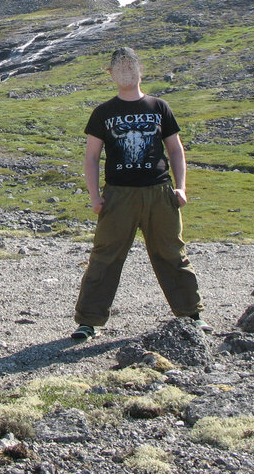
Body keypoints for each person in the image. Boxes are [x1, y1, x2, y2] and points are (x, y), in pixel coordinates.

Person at [70, 47, 204, 344]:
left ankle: (191, 314)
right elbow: (92, 157)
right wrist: (94, 197)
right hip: (118, 196)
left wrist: (181, 187)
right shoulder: (103, 113)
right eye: (118, 66)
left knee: (172, 252)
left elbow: (175, 149)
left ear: (140, 70)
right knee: (104, 257)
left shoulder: (159, 107)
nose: (125, 71)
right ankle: (89, 321)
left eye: (130, 65)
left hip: (159, 192)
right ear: (111, 74)